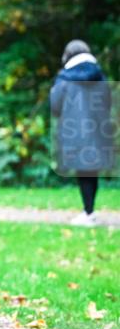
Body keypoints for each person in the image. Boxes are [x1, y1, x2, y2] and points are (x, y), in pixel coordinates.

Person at [49, 39, 115, 226]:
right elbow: (107, 102)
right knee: (91, 171)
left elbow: (55, 107)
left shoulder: (64, 78)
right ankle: (89, 211)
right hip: (98, 130)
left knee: (84, 171)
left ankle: (88, 213)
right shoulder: (100, 75)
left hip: (75, 131)